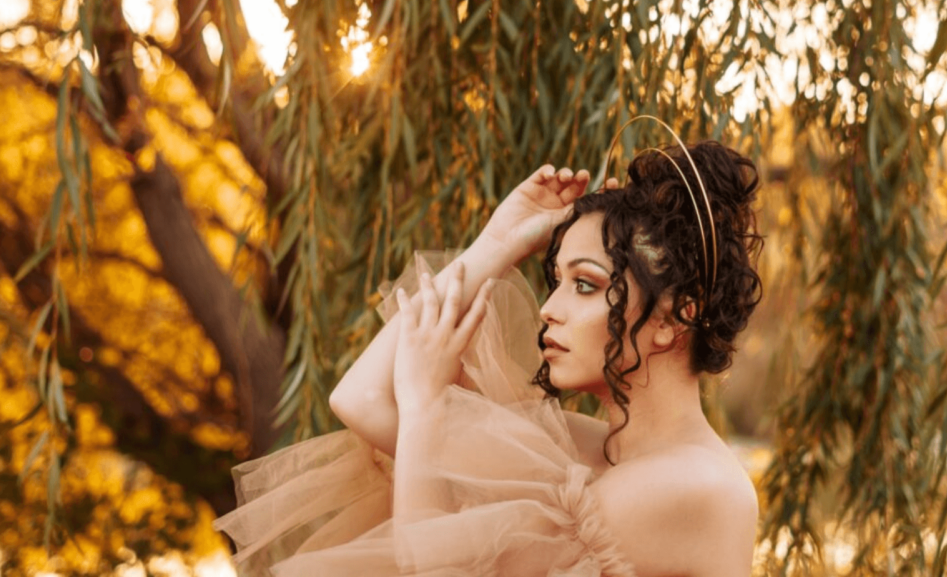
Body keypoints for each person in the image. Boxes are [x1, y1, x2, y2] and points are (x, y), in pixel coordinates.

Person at [214, 134, 763, 577]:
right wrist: (495, 244)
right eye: (554, 280)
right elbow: (362, 398)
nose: (548, 309)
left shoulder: (696, 486)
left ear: (673, 319)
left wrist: (429, 403)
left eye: (586, 286)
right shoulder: (587, 450)